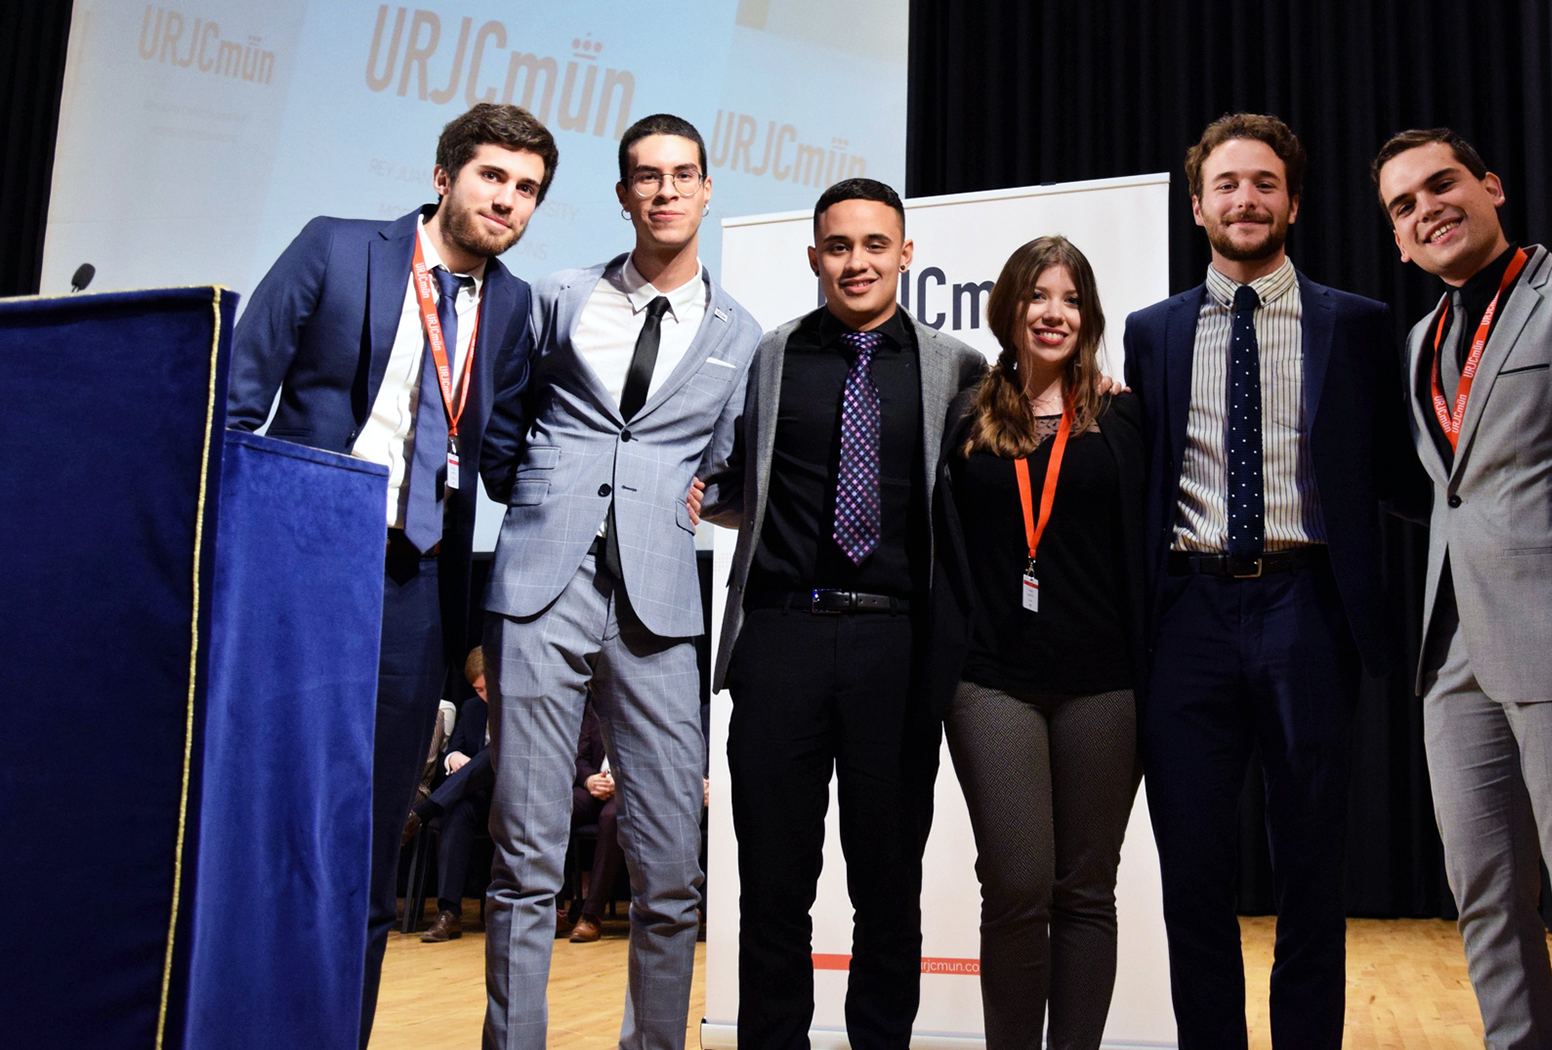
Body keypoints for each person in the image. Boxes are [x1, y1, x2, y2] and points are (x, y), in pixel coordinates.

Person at [225, 102, 552, 1045]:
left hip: (417, 589)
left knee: (373, 835)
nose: (509, 199)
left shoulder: (514, 306)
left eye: (528, 189)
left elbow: (502, 459)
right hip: (300, 568)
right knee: (267, 814)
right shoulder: (335, 247)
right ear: (444, 176)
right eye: (493, 176)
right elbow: (234, 406)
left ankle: (339, 1029)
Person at [1122, 113, 1418, 1050]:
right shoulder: (1150, 332)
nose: (1244, 199)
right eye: (1226, 184)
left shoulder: (1358, 324)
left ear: (1293, 202)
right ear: (1198, 205)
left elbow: (1398, 470)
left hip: (1308, 605)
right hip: (1188, 613)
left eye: (1263, 183)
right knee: (1192, 872)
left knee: (1313, 868)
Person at [1373, 128, 1552, 1050]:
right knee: (1484, 894)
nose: (1427, 209)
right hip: (1450, 650)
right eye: (1404, 205)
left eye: (1442, 184)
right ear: (1399, 240)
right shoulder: (1417, 340)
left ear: (1491, 186)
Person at [480, 113, 760, 1050]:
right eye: (648, 175)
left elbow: (729, 468)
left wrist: (698, 498)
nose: (666, 190)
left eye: (683, 175)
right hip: (540, 585)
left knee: (672, 866)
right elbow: (503, 419)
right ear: (623, 192)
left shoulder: (740, 333)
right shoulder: (556, 297)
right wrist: (535, 490)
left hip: (659, 604)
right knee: (525, 856)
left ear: (707, 190)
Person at [705, 177, 986, 1050]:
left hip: (897, 646)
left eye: (874, 244)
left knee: (888, 886)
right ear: (814, 257)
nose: (856, 261)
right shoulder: (774, 354)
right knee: (772, 885)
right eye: (838, 246)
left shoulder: (956, 367)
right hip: (780, 637)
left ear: (906, 253)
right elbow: (726, 476)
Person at [932, 236, 1148, 1050]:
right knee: (1018, 885)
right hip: (991, 679)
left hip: (1105, 681)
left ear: (1088, 315)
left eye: (1071, 298)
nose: (1054, 312)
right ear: (1009, 308)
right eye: (1037, 295)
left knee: (1086, 891)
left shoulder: (1123, 415)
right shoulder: (964, 413)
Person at [410, 647, 494, 942]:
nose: (484, 695)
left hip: (512, 797)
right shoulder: (472, 708)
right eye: (478, 690)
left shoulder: (519, 707)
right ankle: (449, 913)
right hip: (477, 796)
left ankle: (422, 812)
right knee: (456, 812)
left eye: (487, 688)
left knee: (495, 751)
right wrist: (453, 757)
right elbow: (454, 748)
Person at [564, 699, 629, 944]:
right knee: (559, 806)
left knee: (612, 817)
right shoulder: (597, 706)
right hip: (596, 784)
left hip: (630, 788)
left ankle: (590, 916)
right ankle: (554, 909)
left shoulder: (647, 702)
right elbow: (579, 757)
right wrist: (590, 780)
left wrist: (620, 781)